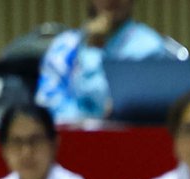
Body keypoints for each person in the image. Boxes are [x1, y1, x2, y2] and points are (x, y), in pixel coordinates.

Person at [34, 0, 167, 122]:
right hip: (66, 136)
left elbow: (108, 105)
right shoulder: (64, 46)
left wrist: (93, 49)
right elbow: (47, 103)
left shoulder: (149, 47)